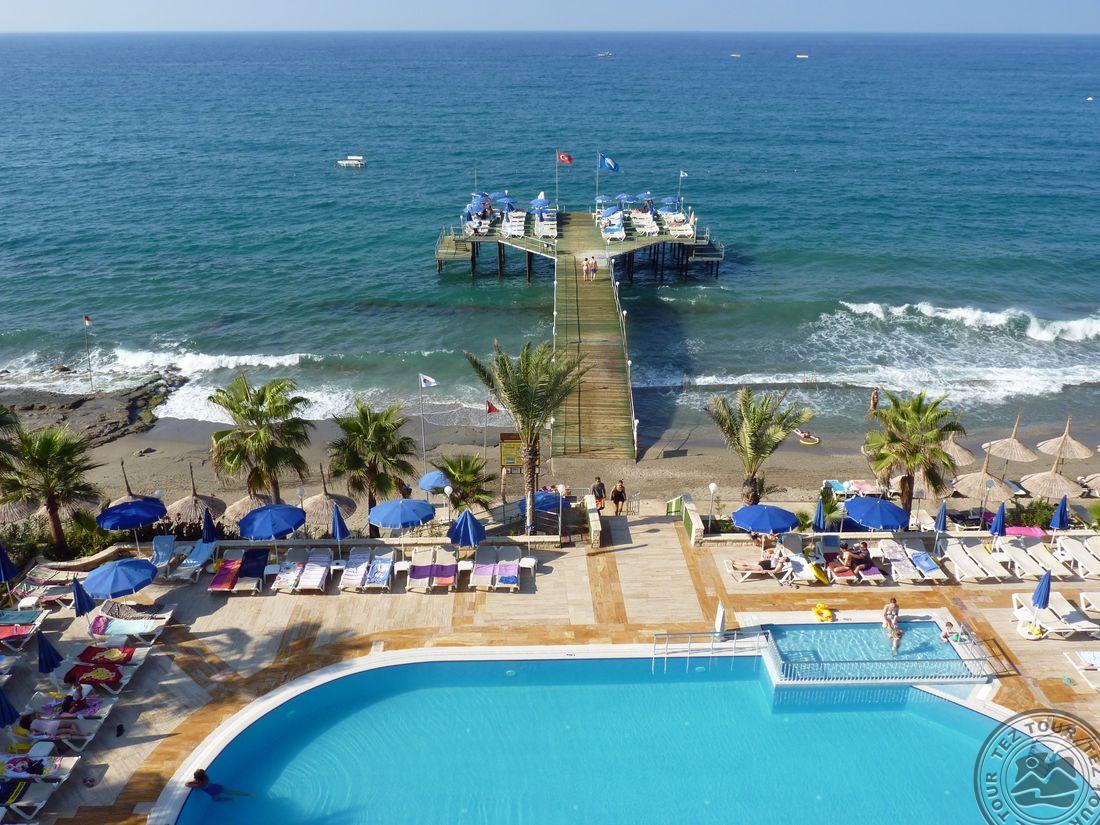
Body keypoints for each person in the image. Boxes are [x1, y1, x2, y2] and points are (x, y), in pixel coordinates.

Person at [186, 769, 250, 802]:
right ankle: (248, 794)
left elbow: (187, 784)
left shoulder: (200, 785)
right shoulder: (206, 777)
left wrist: (195, 781)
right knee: (233, 792)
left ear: (198, 779)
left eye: (195, 777)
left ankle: (230, 799)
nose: (194, 777)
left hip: (212, 792)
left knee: (216, 800)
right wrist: (197, 780)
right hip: (217, 787)